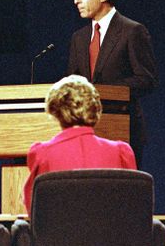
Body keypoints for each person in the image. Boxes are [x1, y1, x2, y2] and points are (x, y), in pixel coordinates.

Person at [66, 0, 157, 166]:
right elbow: (73, 83)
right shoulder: (78, 38)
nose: (76, 1)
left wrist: (102, 92)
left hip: (123, 130)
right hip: (85, 133)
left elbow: (146, 79)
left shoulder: (132, 31)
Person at [23, 75, 137, 215]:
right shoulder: (121, 152)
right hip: (111, 235)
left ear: (55, 110)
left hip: (59, 235)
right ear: (96, 108)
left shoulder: (42, 153)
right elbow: (135, 208)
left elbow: (34, 210)